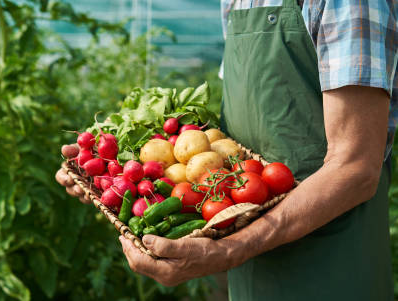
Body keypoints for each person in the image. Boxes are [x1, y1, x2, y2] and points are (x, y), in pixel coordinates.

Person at [55, 0, 397, 299]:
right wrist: (108, 170)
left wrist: (229, 252)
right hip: (252, 253)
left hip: (330, 263)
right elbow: (243, 125)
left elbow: (355, 169)